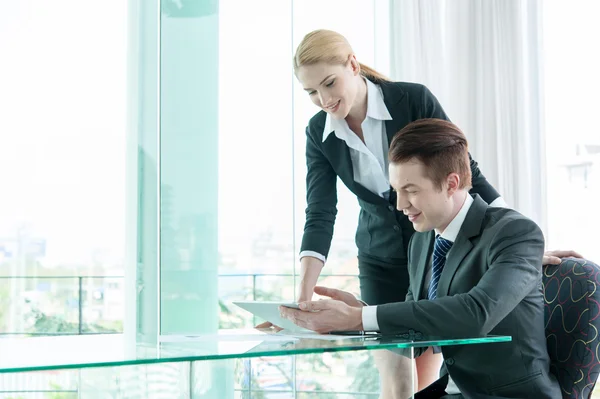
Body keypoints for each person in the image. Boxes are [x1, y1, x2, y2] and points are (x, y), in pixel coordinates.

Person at [259, 28, 577, 398]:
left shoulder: (410, 100)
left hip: (440, 238)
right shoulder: (321, 133)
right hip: (391, 248)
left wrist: (513, 240)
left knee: (429, 352)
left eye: (329, 84)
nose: (324, 99)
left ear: (352, 65)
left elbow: (462, 167)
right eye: (311, 92)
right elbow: (320, 211)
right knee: (395, 367)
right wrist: (306, 307)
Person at [280, 118, 563, 398]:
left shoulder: (515, 232)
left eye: (411, 191)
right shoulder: (423, 240)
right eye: (396, 191)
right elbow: (415, 335)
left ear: (451, 183)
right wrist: (352, 313)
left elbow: (476, 313)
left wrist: (358, 318)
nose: (401, 205)